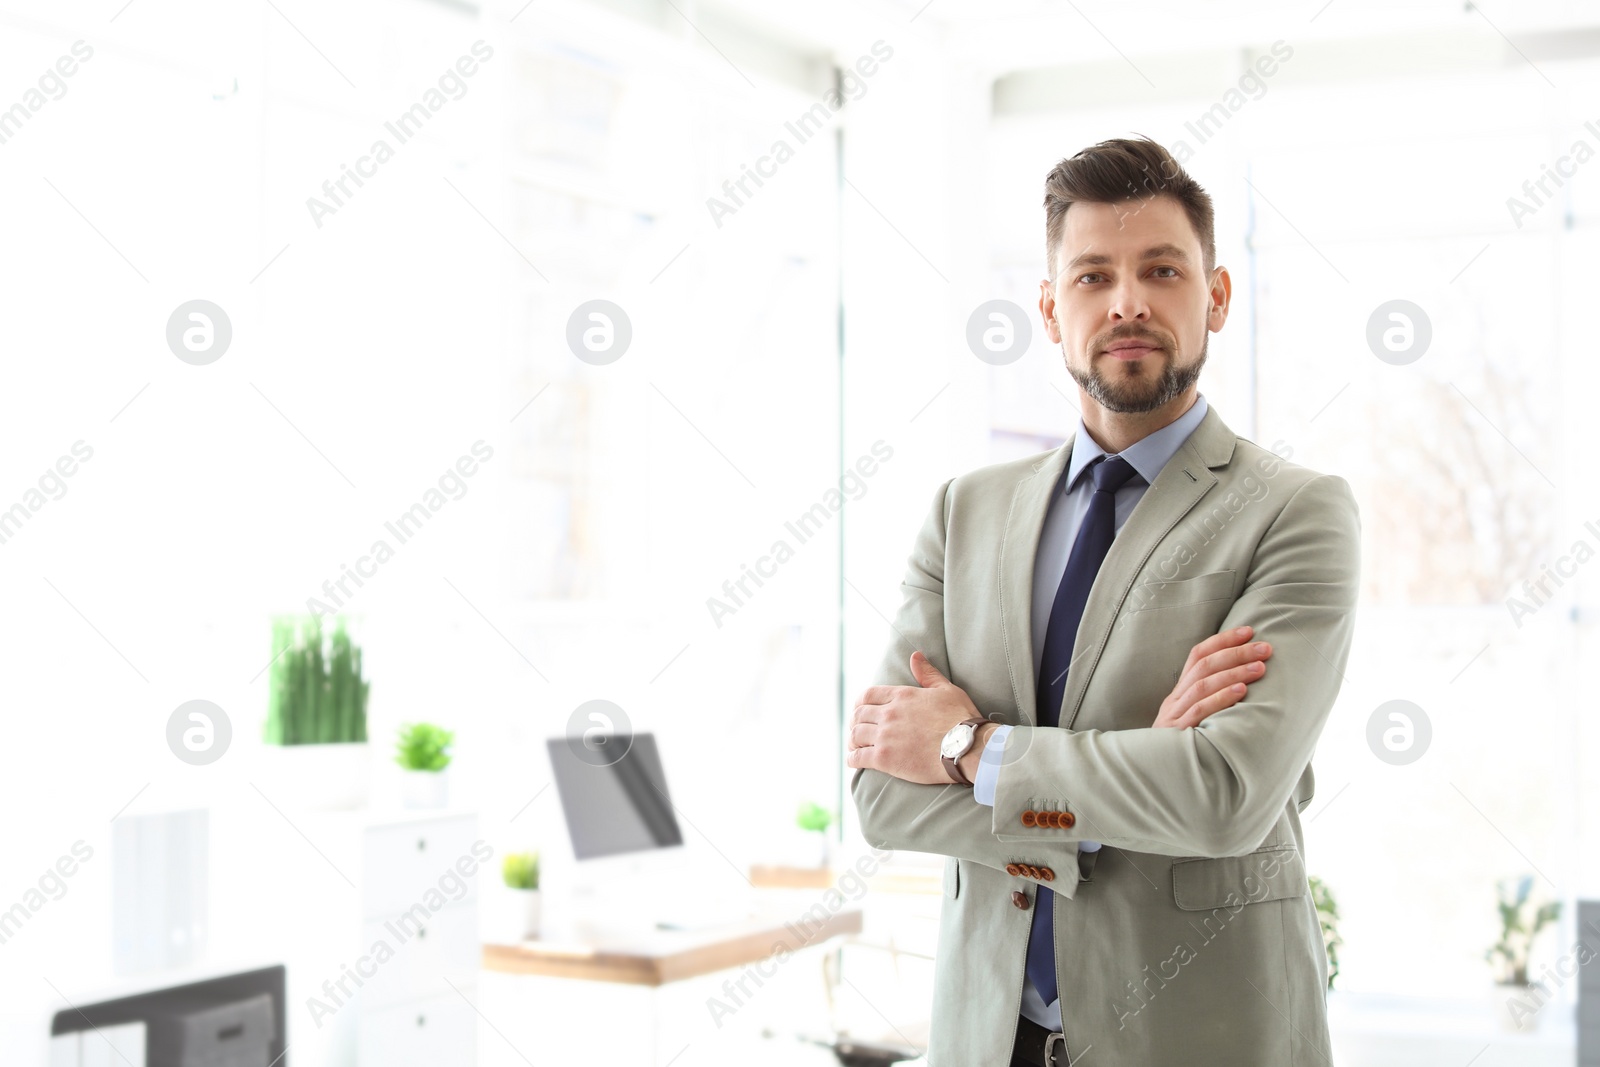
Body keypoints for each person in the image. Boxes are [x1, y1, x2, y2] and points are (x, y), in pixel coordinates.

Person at [847, 136, 1360, 1066]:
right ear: (1050, 309)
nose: (1127, 301)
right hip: (988, 1037)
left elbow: (1222, 798)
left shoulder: (1295, 512)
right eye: (1092, 276)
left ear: (1216, 297)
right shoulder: (965, 512)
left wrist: (971, 749)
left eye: (1162, 269)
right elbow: (882, 793)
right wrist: (1136, 778)